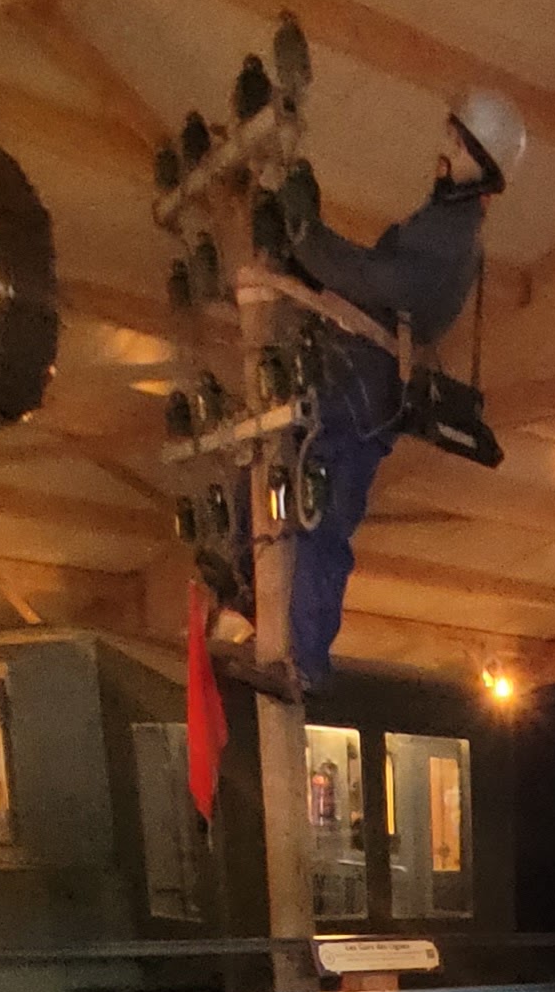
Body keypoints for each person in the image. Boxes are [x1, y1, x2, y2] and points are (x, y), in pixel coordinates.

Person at [219, 86, 525, 697]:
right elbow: (366, 281)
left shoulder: (453, 234)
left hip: (365, 381)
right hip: (350, 372)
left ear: (480, 160)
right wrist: (302, 251)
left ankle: (301, 658)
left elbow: (377, 282)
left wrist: (308, 238)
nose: (445, 146)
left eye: (457, 139)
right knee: (278, 467)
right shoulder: (441, 224)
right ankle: (254, 595)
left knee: (322, 508)